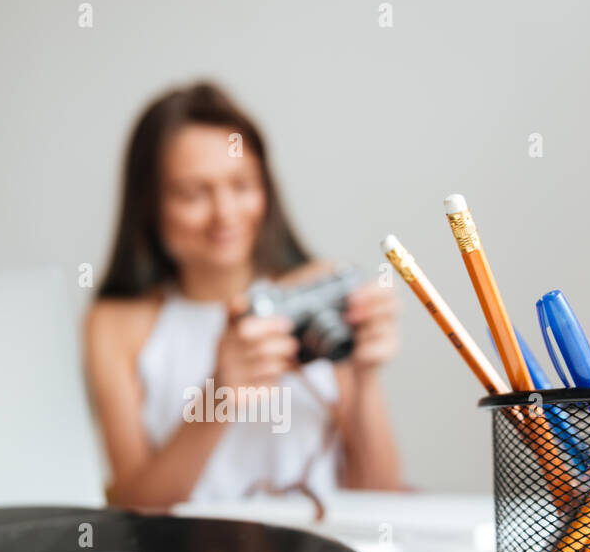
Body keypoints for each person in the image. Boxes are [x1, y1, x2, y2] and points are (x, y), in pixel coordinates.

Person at [85, 82, 402, 511]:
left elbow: (381, 499)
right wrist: (219, 395)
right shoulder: (116, 323)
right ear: (149, 203)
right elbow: (136, 509)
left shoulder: (319, 287)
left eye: (242, 185)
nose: (225, 214)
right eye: (193, 194)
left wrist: (365, 377)